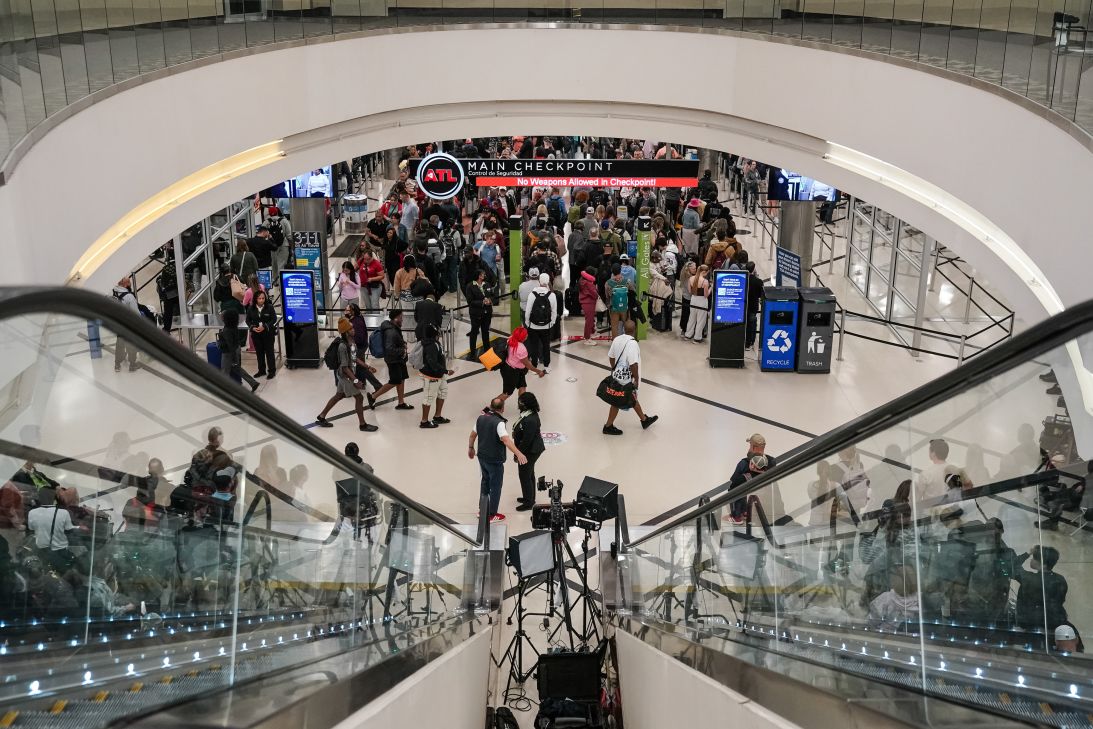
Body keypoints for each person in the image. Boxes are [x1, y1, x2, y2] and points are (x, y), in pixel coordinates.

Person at [468, 397, 527, 522]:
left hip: (482, 457)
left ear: (491, 406)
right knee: (495, 486)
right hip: (494, 460)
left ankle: (482, 510)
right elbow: (505, 440)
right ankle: (491, 514)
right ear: (503, 408)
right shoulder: (499, 423)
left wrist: (471, 448)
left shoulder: (481, 418)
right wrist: (519, 453)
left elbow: (473, 434)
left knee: (485, 482)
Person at [315, 317, 380, 432]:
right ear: (345, 331)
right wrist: (356, 381)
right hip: (346, 376)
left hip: (345, 375)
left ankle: (321, 416)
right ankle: (362, 425)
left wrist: (368, 367)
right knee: (359, 398)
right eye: (351, 328)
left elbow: (354, 359)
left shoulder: (352, 342)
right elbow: (345, 368)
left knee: (339, 396)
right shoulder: (342, 346)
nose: (353, 329)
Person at [602, 320, 658, 435]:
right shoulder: (633, 344)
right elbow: (633, 365)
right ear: (635, 330)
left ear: (624, 329)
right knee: (618, 401)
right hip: (626, 379)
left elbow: (611, 357)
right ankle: (608, 426)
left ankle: (644, 420)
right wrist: (636, 380)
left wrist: (614, 368)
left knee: (630, 398)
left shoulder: (617, 339)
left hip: (617, 375)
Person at [1014, 545, 1068, 632]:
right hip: (1052, 622)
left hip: (1029, 623)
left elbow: (1012, 566)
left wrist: (1028, 553)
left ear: (1044, 565)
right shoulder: (1060, 579)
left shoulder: (1028, 579)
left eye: (1034, 558)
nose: (1031, 560)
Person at [368, 310, 414, 410]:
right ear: (396, 318)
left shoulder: (394, 327)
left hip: (399, 359)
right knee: (395, 381)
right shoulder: (391, 331)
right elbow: (389, 348)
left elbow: (395, 342)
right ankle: (373, 397)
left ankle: (401, 402)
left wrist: (402, 343)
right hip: (393, 360)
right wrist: (402, 350)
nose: (402, 319)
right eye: (401, 317)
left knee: (401, 379)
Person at [27, 488, 78, 573]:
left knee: (43, 570)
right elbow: (69, 530)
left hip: (40, 549)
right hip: (59, 550)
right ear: (54, 499)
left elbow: (31, 528)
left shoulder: (32, 512)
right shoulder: (64, 512)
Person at [512, 392, 545, 512]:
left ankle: (529, 502)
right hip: (530, 449)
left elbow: (527, 440)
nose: (518, 404)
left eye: (520, 402)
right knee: (529, 473)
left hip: (530, 450)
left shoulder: (530, 419)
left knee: (524, 475)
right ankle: (530, 497)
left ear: (526, 404)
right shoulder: (528, 414)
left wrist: (518, 453)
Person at [418, 323, 453, 429]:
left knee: (443, 392)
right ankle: (424, 421)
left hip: (439, 374)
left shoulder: (434, 342)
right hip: (431, 376)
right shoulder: (431, 345)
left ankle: (437, 416)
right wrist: (446, 371)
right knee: (428, 397)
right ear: (435, 334)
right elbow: (432, 362)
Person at [218, 309, 259, 392]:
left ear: (226, 318)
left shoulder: (227, 330)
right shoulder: (233, 327)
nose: (221, 316)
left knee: (225, 371)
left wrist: (233, 357)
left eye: (223, 315)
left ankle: (224, 389)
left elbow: (230, 344)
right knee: (237, 368)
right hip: (235, 349)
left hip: (228, 353)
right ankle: (253, 382)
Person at [499, 327, 545, 401]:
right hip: (510, 372)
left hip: (516, 369)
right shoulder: (521, 348)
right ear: (523, 337)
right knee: (507, 393)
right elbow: (527, 365)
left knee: (522, 387)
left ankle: (523, 406)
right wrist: (539, 371)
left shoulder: (511, 339)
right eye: (526, 334)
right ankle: (491, 408)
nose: (527, 335)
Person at [345, 302, 382, 395]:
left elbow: (360, 338)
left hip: (359, 347)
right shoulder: (355, 319)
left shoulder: (356, 322)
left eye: (347, 310)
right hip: (360, 346)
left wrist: (351, 342)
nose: (345, 311)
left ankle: (377, 385)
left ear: (352, 311)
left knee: (361, 367)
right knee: (360, 366)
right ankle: (363, 382)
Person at [525, 273, 558, 371]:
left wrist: (527, 322)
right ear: (548, 282)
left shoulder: (532, 294)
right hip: (546, 326)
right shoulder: (551, 295)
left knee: (534, 346)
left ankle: (534, 367)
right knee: (546, 346)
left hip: (533, 326)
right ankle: (547, 367)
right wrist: (552, 322)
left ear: (539, 281)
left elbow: (528, 310)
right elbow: (554, 311)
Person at [111, 276, 141, 372]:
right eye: (129, 283)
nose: (130, 285)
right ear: (125, 284)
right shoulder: (129, 297)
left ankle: (117, 364)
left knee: (119, 343)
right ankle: (132, 365)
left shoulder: (112, 291)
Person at [246, 289, 277, 379]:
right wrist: (252, 327)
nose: (261, 300)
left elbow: (274, 319)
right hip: (256, 334)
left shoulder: (269, 307)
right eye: (259, 298)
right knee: (259, 353)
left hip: (268, 334)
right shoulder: (251, 308)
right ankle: (261, 370)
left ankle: (272, 371)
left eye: (263, 298)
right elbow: (248, 320)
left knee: (269, 352)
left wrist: (265, 326)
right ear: (255, 299)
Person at [465, 268, 493, 356]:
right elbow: (470, 301)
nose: (484, 275)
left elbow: (493, 295)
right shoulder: (470, 286)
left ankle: (487, 352)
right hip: (476, 314)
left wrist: (490, 300)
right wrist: (482, 302)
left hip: (487, 313)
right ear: (478, 276)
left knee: (486, 332)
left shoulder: (487, 284)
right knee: (474, 333)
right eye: (482, 274)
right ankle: (472, 353)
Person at [683, 264, 712, 343]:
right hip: (702, 301)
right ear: (704, 272)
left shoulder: (691, 278)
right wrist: (711, 288)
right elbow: (706, 295)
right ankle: (697, 338)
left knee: (691, 318)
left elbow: (689, 291)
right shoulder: (705, 281)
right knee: (700, 320)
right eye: (707, 273)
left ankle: (688, 335)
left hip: (693, 300)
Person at [918, 438, 951, 503]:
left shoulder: (926, 473)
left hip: (931, 511)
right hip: (951, 510)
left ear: (933, 453)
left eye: (929, 451)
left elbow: (918, 498)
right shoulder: (954, 470)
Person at [604, 265, 630, 338]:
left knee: (614, 326)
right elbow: (632, 291)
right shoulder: (627, 281)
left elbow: (607, 296)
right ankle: (625, 342)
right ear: (620, 270)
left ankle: (615, 343)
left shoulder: (608, 283)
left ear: (612, 271)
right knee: (625, 325)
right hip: (624, 307)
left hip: (614, 307)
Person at [579, 266, 600, 346]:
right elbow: (594, 294)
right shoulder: (588, 283)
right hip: (589, 303)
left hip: (585, 303)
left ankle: (592, 332)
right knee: (589, 321)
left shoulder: (583, 281)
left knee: (590, 319)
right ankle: (587, 338)